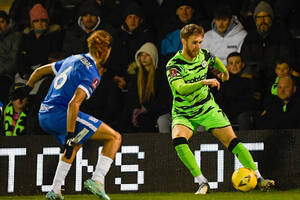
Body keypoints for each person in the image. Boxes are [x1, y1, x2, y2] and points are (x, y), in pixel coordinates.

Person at [166, 24, 275, 195]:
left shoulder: (204, 55)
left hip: (207, 108)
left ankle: (259, 179)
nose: (198, 47)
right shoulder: (174, 65)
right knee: (178, 139)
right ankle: (202, 183)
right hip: (183, 112)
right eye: (194, 43)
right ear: (183, 41)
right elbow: (180, 88)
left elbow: (214, 60)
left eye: (200, 42)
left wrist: (224, 72)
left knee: (232, 141)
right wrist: (204, 82)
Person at [15, 30, 121, 200]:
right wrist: (70, 135)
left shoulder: (74, 58)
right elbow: (74, 103)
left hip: (44, 115)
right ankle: (97, 180)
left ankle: (55, 190)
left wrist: (27, 88)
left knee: (76, 143)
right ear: (105, 49)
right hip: (60, 114)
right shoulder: (92, 73)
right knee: (114, 137)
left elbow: (39, 71)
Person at [117, 42, 172, 133]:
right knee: (124, 118)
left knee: (145, 120)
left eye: (147, 55)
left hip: (157, 110)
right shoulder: (137, 75)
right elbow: (132, 95)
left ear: (153, 56)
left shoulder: (161, 74)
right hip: (141, 110)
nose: (143, 58)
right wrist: (135, 109)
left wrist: (146, 108)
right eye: (141, 55)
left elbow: (163, 98)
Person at [214, 52, 261, 130]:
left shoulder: (250, 80)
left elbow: (252, 101)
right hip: (227, 114)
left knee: (244, 118)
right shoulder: (222, 82)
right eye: (231, 63)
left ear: (242, 65)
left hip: (242, 114)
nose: (234, 66)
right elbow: (220, 101)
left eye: (237, 63)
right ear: (227, 66)